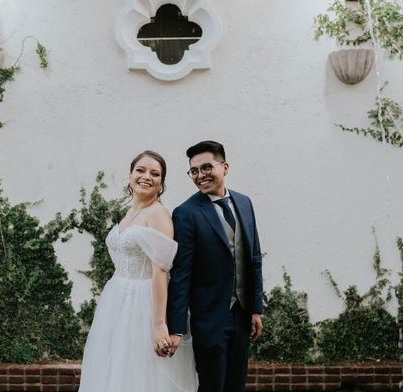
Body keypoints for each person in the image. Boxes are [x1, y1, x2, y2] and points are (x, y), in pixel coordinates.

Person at [78, 150, 198, 392]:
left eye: (155, 174)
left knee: (143, 373)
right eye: (140, 170)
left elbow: (161, 272)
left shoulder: (158, 214)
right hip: (117, 300)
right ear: (130, 175)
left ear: (161, 184)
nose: (147, 176)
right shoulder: (130, 213)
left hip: (144, 303)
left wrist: (159, 324)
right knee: (115, 370)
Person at [167, 140, 264, 392]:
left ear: (225, 167)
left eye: (206, 167)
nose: (200, 175)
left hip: (242, 316)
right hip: (209, 318)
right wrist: (176, 327)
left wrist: (255, 309)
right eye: (194, 171)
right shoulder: (186, 213)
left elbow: (253, 258)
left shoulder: (244, 203)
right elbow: (181, 274)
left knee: (236, 386)